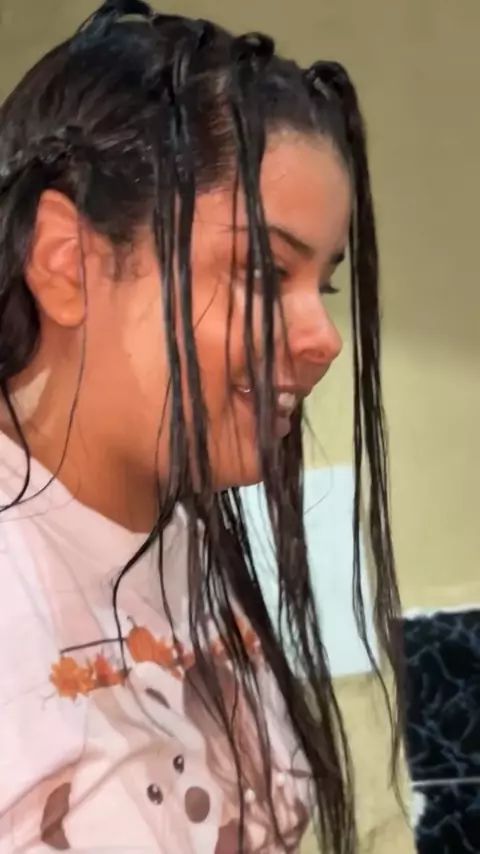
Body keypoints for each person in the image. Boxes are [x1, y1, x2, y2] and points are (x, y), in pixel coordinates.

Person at [0, 1, 403, 852]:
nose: (324, 339)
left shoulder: (184, 538)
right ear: (67, 264)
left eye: (323, 286)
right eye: (263, 270)